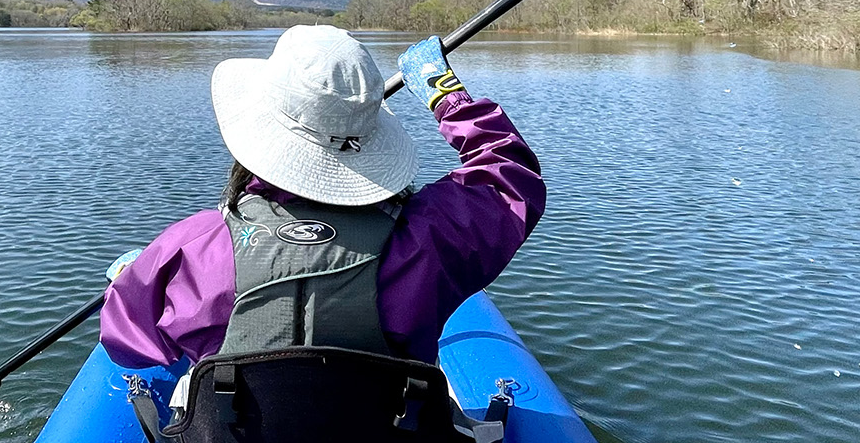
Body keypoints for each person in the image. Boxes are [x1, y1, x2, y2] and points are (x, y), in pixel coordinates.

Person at [99, 24, 544, 372]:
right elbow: (510, 176)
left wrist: (137, 282)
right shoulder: (434, 238)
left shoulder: (192, 248)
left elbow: (129, 347)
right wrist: (447, 95)